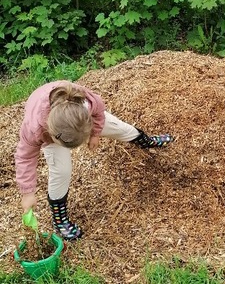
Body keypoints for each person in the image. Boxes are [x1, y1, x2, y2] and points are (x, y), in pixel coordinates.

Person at [15, 81, 174, 241]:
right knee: (61, 171)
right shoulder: (34, 128)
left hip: (74, 122)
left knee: (120, 128)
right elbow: (25, 157)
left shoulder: (85, 104)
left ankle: (146, 140)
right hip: (53, 127)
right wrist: (27, 193)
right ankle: (60, 220)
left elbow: (99, 109)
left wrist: (95, 133)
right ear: (52, 134)